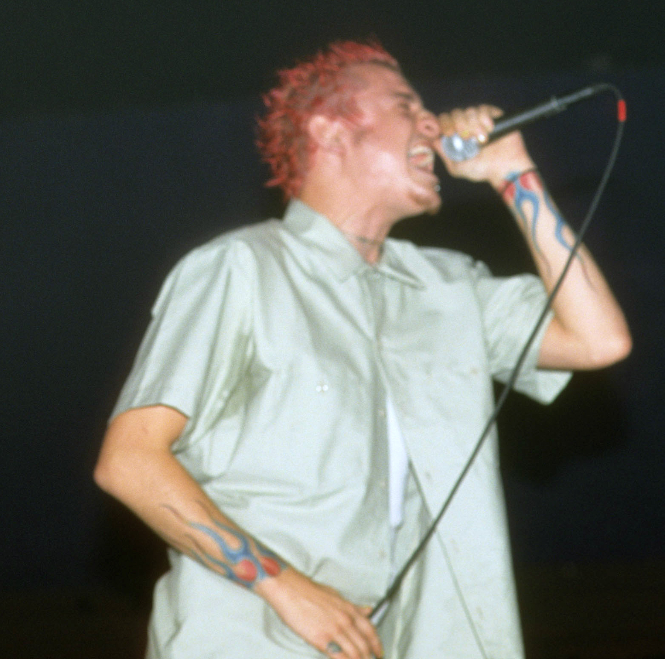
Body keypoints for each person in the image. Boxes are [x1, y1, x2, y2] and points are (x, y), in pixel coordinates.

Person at [94, 41, 630, 659]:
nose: (432, 122)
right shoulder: (242, 269)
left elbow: (599, 339)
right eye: (406, 105)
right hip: (250, 635)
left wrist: (513, 174)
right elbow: (129, 462)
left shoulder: (450, 286)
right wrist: (289, 588)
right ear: (330, 131)